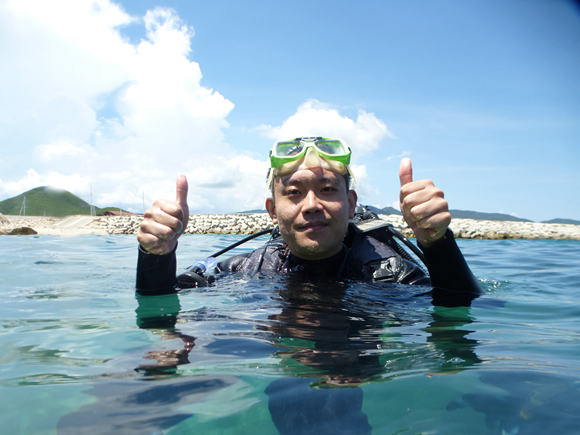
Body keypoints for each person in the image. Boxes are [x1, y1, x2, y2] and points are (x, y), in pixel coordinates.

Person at [136, 137, 481, 295]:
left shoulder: (388, 273)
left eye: (328, 189)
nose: (312, 204)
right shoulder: (244, 269)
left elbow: (460, 305)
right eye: (293, 192)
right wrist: (156, 256)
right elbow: (162, 298)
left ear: (351, 203)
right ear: (272, 211)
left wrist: (436, 243)